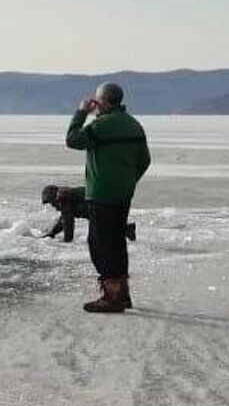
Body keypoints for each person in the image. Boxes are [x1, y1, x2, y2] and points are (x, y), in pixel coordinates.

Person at [65, 82, 151, 312]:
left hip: (102, 193)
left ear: (102, 101)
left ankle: (112, 297)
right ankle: (122, 294)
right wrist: (127, 180)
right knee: (116, 242)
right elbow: (145, 160)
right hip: (123, 193)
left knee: (101, 243)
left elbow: (73, 139)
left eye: (97, 99)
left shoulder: (101, 125)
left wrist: (82, 112)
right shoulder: (134, 125)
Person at [40, 184, 137, 244]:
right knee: (104, 222)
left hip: (98, 202)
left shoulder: (63, 198)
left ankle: (126, 229)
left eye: (51, 202)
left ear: (55, 198)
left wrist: (67, 241)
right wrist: (52, 233)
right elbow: (63, 220)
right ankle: (126, 229)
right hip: (102, 200)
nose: (53, 206)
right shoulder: (66, 196)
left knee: (100, 224)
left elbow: (68, 221)